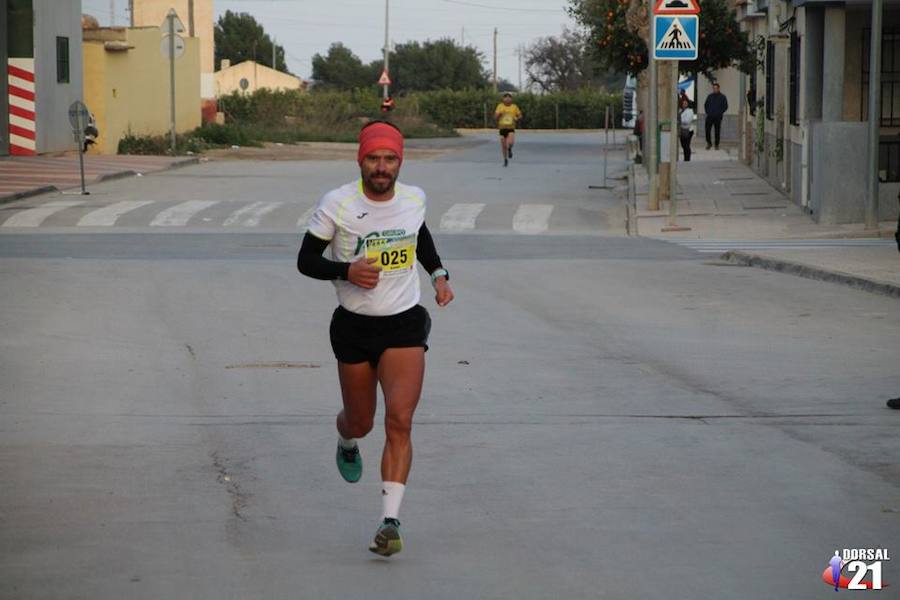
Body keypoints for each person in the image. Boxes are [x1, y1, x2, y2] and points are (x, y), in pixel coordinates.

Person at [297, 120, 455, 556]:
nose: (382, 167)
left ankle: (390, 521)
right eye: (374, 158)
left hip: (403, 322)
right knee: (362, 421)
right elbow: (306, 260)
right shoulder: (338, 203)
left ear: (400, 161)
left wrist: (439, 275)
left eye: (390, 159)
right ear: (360, 160)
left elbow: (418, 234)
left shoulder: (414, 198)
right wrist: (346, 270)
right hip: (353, 326)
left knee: (400, 420)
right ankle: (346, 438)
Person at [494, 92, 522, 167]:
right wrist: (499, 114)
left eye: (509, 97)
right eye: (505, 97)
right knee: (503, 146)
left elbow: (520, 116)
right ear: (503, 99)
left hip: (511, 128)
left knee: (510, 142)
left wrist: (516, 118)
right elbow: (495, 117)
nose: (507, 99)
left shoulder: (514, 107)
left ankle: (509, 149)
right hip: (502, 128)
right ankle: (505, 159)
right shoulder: (500, 106)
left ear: (511, 99)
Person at [704, 82, 728, 150]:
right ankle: (709, 143)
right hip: (709, 116)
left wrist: (720, 112)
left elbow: (725, 106)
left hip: (718, 117)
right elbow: (706, 105)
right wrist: (708, 112)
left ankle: (716, 145)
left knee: (717, 131)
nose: (715, 89)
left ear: (718, 88)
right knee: (707, 130)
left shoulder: (723, 97)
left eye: (716, 88)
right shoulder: (710, 96)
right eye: (713, 88)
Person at [678, 98, 695, 162]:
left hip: (688, 130)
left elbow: (687, 121)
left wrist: (680, 121)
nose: (684, 104)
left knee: (686, 145)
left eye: (685, 103)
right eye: (683, 103)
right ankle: (685, 158)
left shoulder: (690, 111)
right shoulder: (680, 111)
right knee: (683, 145)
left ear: (688, 104)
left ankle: (687, 159)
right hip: (682, 130)